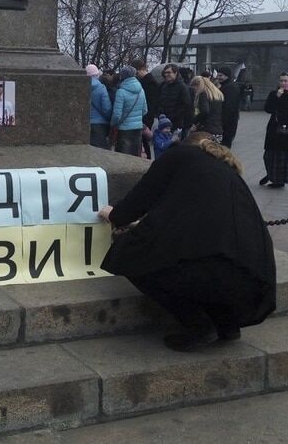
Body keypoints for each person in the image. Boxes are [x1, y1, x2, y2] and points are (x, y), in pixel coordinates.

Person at [97, 132, 276, 351]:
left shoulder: (178, 156)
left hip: (210, 267)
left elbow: (141, 198)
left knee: (128, 253)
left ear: (187, 145)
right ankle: (226, 324)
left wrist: (114, 215)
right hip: (251, 274)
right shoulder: (223, 167)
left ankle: (198, 325)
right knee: (208, 265)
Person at [260, 72, 288, 188]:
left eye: (285, 81)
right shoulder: (274, 93)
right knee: (268, 155)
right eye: (281, 81)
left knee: (284, 156)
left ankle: (279, 181)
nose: (283, 83)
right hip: (274, 127)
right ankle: (270, 174)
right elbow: (268, 109)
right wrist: (276, 97)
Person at [110, 65, 147, 156]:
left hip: (124, 129)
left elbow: (117, 115)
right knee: (135, 155)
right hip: (138, 128)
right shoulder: (141, 90)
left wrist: (112, 124)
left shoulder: (121, 92)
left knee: (123, 156)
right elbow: (145, 110)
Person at [135, 59, 160, 160]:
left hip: (147, 116)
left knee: (145, 140)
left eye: (137, 72)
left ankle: (148, 159)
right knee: (144, 141)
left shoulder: (150, 83)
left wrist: (146, 117)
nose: (137, 75)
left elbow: (151, 103)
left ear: (141, 70)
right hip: (146, 114)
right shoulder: (147, 81)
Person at [158, 64, 193, 138]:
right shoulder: (163, 86)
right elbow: (159, 102)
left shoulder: (182, 87)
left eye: (169, 72)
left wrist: (175, 117)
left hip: (176, 123)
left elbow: (186, 105)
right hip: (164, 122)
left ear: (175, 73)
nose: (166, 74)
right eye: (165, 73)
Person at [191, 74, 224, 143]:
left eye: (194, 86)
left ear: (198, 85)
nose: (194, 89)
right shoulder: (217, 95)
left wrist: (194, 122)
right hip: (217, 130)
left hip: (206, 130)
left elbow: (205, 111)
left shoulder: (203, 94)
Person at [87, 64, 112, 149]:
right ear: (97, 75)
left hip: (85, 124)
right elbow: (106, 108)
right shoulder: (101, 88)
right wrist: (109, 118)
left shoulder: (82, 86)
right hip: (100, 124)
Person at [215, 67, 241, 148]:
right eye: (218, 75)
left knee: (224, 147)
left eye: (221, 75)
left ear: (227, 76)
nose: (218, 77)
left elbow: (229, 108)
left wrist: (222, 122)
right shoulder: (226, 86)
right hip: (227, 122)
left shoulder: (230, 88)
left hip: (227, 123)